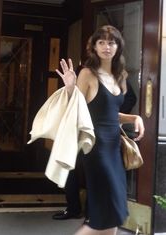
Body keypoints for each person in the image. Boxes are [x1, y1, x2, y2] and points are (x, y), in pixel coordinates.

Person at [55, 25, 145, 235]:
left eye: (111, 42)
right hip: (96, 148)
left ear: (118, 46)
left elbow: (108, 113)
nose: (107, 46)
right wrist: (70, 88)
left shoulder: (120, 76)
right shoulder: (87, 73)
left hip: (114, 147)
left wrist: (134, 117)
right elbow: (75, 110)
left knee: (113, 212)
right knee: (101, 214)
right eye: (101, 42)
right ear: (94, 47)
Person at [52, 80, 137, 221]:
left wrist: (112, 116)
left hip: (100, 133)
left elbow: (130, 97)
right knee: (68, 167)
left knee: (94, 172)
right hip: (78, 129)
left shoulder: (115, 75)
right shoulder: (84, 73)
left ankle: (91, 213)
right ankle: (73, 208)